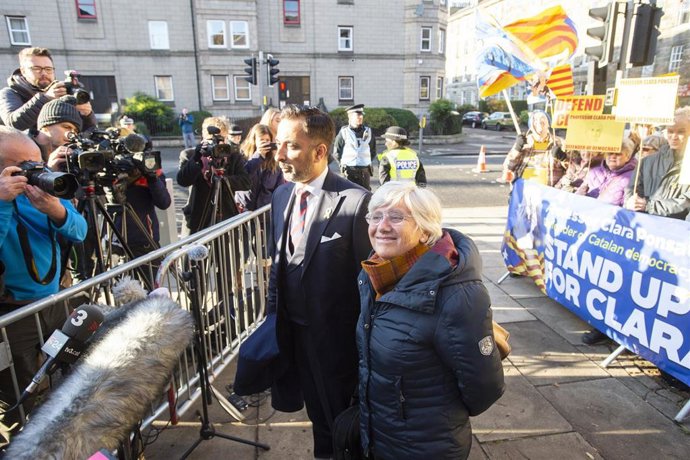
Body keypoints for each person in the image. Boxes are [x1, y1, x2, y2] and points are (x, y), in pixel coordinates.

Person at [357, 181, 505, 459]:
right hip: (380, 435)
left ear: (425, 230)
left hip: (427, 446)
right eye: (376, 216)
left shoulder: (456, 296)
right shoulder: (375, 272)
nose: (383, 226)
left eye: (397, 217)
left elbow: (485, 387)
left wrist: (433, 414)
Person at [267, 105, 371, 459]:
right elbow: (277, 265)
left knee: (341, 424)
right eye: (278, 144)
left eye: (290, 146)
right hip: (291, 336)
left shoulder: (355, 202)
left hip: (336, 348)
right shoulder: (280, 196)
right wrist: (271, 321)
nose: (279, 155)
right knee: (314, 415)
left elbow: (370, 286)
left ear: (320, 151)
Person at [0, 127, 87, 438]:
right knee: (21, 394)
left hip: (54, 305)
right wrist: (2, 203)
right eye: (25, 168)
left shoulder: (44, 194)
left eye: (38, 165)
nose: (36, 174)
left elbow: (79, 232)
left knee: (66, 373)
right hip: (13, 318)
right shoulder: (3, 201)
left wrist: (55, 210)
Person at [177, 116, 250, 235]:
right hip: (198, 218)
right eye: (211, 139)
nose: (216, 144)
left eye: (221, 139)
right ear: (203, 136)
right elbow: (183, 180)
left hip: (225, 217)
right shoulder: (190, 155)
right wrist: (197, 159)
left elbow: (246, 182)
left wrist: (222, 179)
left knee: (225, 253)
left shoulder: (233, 155)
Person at [0, 47, 96, 132]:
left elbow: (85, 131)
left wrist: (87, 115)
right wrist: (46, 98)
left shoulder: (62, 91)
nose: (44, 73)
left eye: (48, 69)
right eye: (37, 68)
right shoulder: (9, 93)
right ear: (23, 71)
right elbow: (14, 124)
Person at [625, 106, 690, 220]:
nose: (674, 136)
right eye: (670, 131)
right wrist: (631, 202)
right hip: (644, 227)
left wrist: (649, 206)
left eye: (681, 132)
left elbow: (686, 202)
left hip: (676, 231)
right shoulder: (646, 162)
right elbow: (632, 190)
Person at [503, 110, 566, 186]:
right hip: (525, 191)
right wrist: (517, 149)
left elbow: (573, 169)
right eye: (535, 121)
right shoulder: (524, 142)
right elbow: (508, 167)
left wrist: (563, 158)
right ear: (531, 126)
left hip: (550, 192)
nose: (539, 123)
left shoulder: (560, 143)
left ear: (548, 124)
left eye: (542, 121)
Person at [236, 123, 285, 211]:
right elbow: (244, 177)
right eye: (262, 140)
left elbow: (279, 188)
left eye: (267, 140)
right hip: (245, 211)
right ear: (254, 141)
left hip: (265, 211)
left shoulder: (274, 161)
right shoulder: (243, 157)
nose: (265, 143)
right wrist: (259, 155)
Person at [576, 139, 637, 206]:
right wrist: (578, 195)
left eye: (618, 154)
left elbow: (628, 208)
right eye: (610, 153)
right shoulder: (593, 172)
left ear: (627, 157)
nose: (613, 156)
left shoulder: (633, 178)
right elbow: (579, 195)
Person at [333, 103, 377, 190]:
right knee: (348, 195)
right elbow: (337, 152)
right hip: (348, 171)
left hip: (364, 171)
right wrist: (343, 165)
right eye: (357, 115)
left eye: (361, 115)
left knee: (365, 196)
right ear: (350, 117)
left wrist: (365, 161)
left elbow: (373, 151)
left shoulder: (369, 132)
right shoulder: (343, 132)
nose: (360, 117)